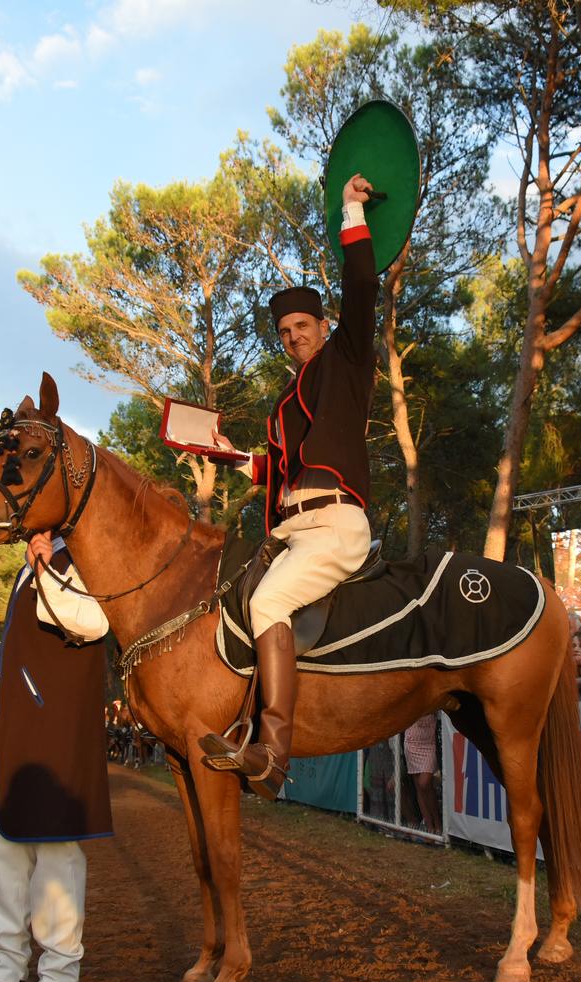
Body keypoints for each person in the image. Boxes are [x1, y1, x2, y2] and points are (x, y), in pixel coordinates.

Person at [200, 171, 380, 799]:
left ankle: (272, 756)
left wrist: (351, 212)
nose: (294, 335)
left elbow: (362, 286)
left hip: (335, 525)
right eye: (285, 330)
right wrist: (227, 456)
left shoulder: (349, 358)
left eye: (304, 325)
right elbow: (277, 471)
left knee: (267, 604)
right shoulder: (287, 400)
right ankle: (240, 721)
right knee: (230, 593)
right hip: (292, 526)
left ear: (324, 327)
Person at [0, 532, 111, 982]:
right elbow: (28, 661)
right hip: (18, 734)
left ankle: (61, 979)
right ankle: (6, 974)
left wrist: (47, 571)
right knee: (5, 856)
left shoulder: (81, 559)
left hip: (58, 732)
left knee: (57, 856)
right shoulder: (32, 566)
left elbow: (92, 622)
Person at [402, 713, 440, 835]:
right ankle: (429, 827)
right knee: (419, 788)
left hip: (429, 742)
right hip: (412, 741)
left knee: (424, 783)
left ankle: (438, 823)